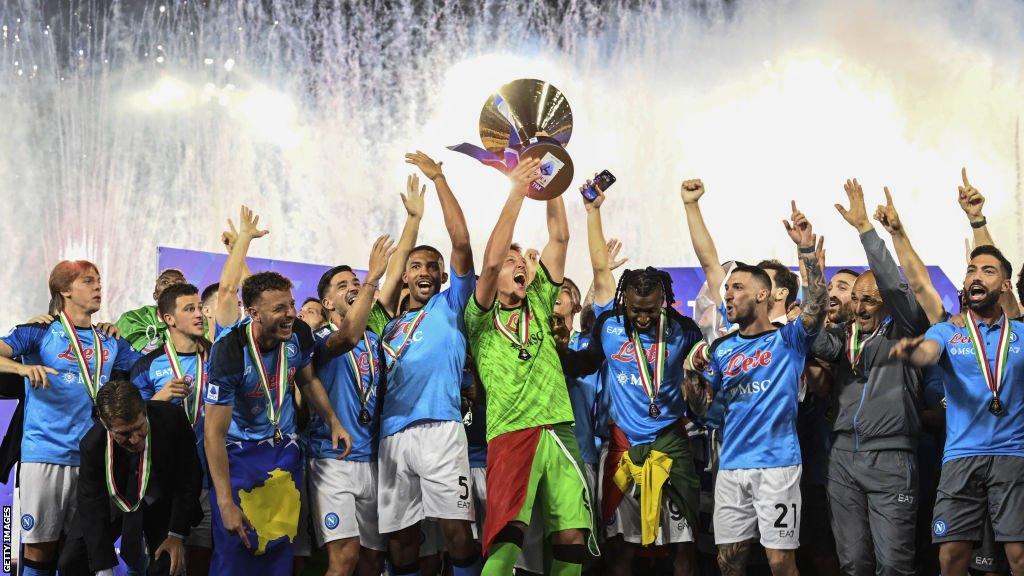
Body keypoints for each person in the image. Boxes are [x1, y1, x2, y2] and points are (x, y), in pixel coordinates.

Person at [561, 180, 704, 576]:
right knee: (620, 551)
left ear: (664, 300)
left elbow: (701, 378)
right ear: (626, 300)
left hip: (671, 446)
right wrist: (593, 213)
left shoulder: (683, 328)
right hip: (622, 446)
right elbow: (600, 271)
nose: (642, 318)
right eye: (635, 309)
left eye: (650, 309)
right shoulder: (608, 324)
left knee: (684, 547)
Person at [464, 157, 596, 576]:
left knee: (572, 535)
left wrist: (551, 183)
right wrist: (517, 191)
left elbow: (560, 237)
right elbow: (487, 264)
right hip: (510, 431)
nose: (518, 264)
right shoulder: (479, 319)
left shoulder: (538, 305)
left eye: (522, 262)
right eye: (510, 261)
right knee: (508, 533)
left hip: (558, 429)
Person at [688, 201, 827, 576]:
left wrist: (806, 252)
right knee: (728, 563)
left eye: (737, 287)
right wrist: (692, 375)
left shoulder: (790, 339)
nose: (728, 295)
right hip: (731, 466)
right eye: (727, 289)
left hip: (778, 465)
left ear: (764, 295)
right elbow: (704, 409)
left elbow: (816, 306)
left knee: (780, 562)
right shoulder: (721, 348)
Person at [811, 179, 931, 576]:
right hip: (843, 456)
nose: (861, 307)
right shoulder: (843, 339)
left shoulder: (907, 329)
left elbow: (897, 285)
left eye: (870, 299)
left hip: (891, 457)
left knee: (894, 565)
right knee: (853, 564)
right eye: (856, 298)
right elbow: (808, 335)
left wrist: (866, 230)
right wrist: (810, 264)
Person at [376, 151, 482, 576]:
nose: (423, 271)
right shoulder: (386, 324)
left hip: (442, 428)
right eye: (415, 265)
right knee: (402, 542)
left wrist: (438, 180)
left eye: (432, 268)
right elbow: (385, 280)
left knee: (456, 531)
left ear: (441, 278)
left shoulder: (451, 304)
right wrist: (411, 225)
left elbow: (461, 243)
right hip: (392, 432)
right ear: (404, 275)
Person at [203, 271, 351, 575]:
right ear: (254, 313)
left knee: (278, 550)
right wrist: (225, 502)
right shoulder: (229, 351)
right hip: (239, 456)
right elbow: (213, 435)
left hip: (284, 453)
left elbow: (308, 381)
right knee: (236, 553)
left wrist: (333, 420)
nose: (290, 315)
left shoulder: (298, 333)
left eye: (291, 305)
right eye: (279, 309)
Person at [0, 260, 141, 576]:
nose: (98, 287)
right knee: (39, 551)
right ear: (64, 290)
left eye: (99, 281)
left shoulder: (110, 341)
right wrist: (22, 368)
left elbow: (147, 370)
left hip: (92, 461)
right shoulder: (39, 332)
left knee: (82, 554)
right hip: (44, 455)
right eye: (88, 281)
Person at [890, 244, 1024, 576]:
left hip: (1014, 455)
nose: (976, 276)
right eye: (971, 270)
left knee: (1020, 555)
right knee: (950, 555)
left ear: (1005, 286)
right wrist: (913, 353)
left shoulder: (1021, 334)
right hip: (960, 456)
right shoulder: (948, 331)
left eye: (988, 271)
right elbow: (928, 354)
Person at [308, 234, 403, 576]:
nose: (353, 286)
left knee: (372, 562)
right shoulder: (318, 342)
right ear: (327, 302)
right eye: (343, 284)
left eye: (355, 281)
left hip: (373, 460)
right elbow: (347, 337)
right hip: (332, 459)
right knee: (344, 558)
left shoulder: (377, 342)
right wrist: (372, 278)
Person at [57, 379, 203, 576]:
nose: (134, 439)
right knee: (71, 562)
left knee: (167, 566)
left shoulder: (172, 418)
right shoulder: (92, 445)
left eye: (139, 427)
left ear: (144, 410)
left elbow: (189, 477)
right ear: (105, 424)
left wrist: (176, 533)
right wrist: (103, 567)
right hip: (116, 502)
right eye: (124, 434)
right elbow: (91, 505)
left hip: (162, 502)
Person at [130, 282, 214, 575]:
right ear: (169, 318)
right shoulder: (147, 366)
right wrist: (158, 400)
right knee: (167, 566)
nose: (199, 315)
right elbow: (129, 425)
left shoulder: (218, 358)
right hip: (166, 483)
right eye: (189, 309)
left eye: (200, 308)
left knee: (202, 562)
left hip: (211, 479)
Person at [115, 269, 187, 353]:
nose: (171, 284)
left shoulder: (196, 326)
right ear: (155, 295)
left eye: (178, 283)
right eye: (165, 282)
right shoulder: (131, 320)